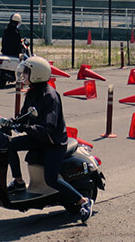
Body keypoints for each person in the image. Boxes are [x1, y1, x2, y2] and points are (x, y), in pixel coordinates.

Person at [6, 56, 93, 222]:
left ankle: (84, 201)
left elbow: (49, 127)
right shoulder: (32, 93)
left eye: (26, 72)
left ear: (36, 74)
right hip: (39, 138)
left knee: (51, 179)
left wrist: (26, 128)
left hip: (54, 143)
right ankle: (18, 181)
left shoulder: (50, 96)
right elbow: (24, 117)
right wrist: (12, 122)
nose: (24, 76)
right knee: (9, 145)